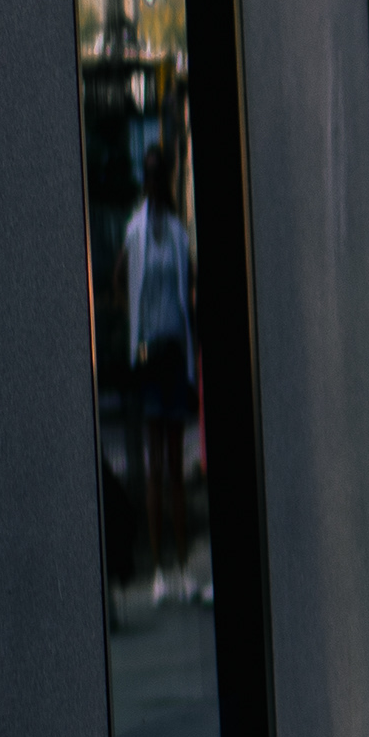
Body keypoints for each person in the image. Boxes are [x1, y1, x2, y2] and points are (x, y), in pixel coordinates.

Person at [119, 141, 201, 598]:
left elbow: (188, 280)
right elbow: (121, 278)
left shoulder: (176, 233)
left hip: (172, 352)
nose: (153, 182)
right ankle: (158, 570)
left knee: (173, 465)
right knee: (155, 466)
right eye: (148, 174)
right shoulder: (136, 231)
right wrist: (136, 326)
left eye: (158, 174)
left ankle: (182, 565)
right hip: (151, 354)